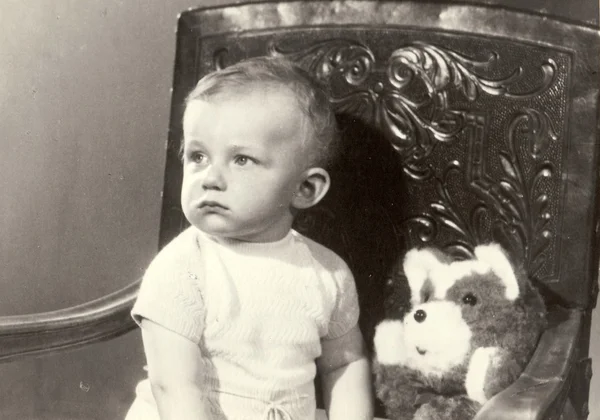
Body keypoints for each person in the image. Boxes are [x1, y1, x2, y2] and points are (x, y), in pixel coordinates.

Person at [125, 56, 373, 420]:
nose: (210, 177)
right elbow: (175, 387)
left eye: (241, 159)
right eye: (197, 156)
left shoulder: (327, 274)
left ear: (305, 188)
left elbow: (345, 364)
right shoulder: (183, 268)